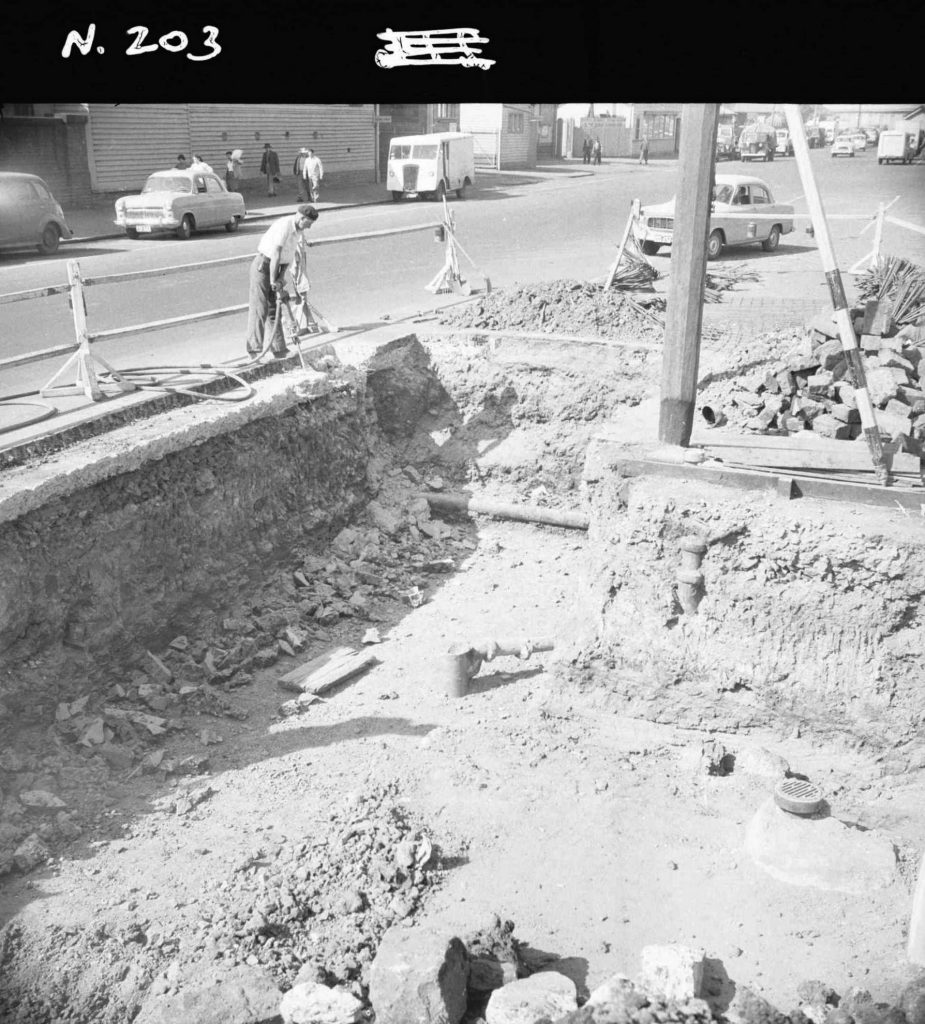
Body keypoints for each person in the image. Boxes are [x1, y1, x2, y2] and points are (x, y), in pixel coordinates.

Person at [244, 205, 319, 359]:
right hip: (264, 265)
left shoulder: (298, 231)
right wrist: (273, 281)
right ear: (301, 217)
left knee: (274, 309)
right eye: (309, 223)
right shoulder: (284, 225)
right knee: (260, 308)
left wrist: (280, 278)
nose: (309, 227)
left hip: (277, 268)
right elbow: (276, 254)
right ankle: (254, 350)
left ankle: (279, 349)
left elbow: (287, 258)